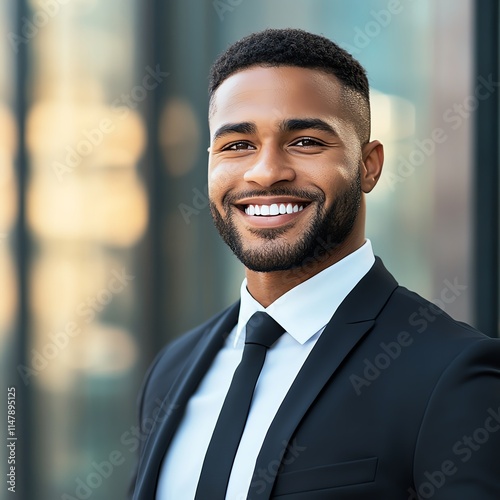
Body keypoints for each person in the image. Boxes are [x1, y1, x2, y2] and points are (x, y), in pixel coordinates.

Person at [131, 28, 500, 500]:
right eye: (238, 145)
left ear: (369, 165)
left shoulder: (452, 375)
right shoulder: (173, 369)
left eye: (305, 141)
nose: (265, 172)